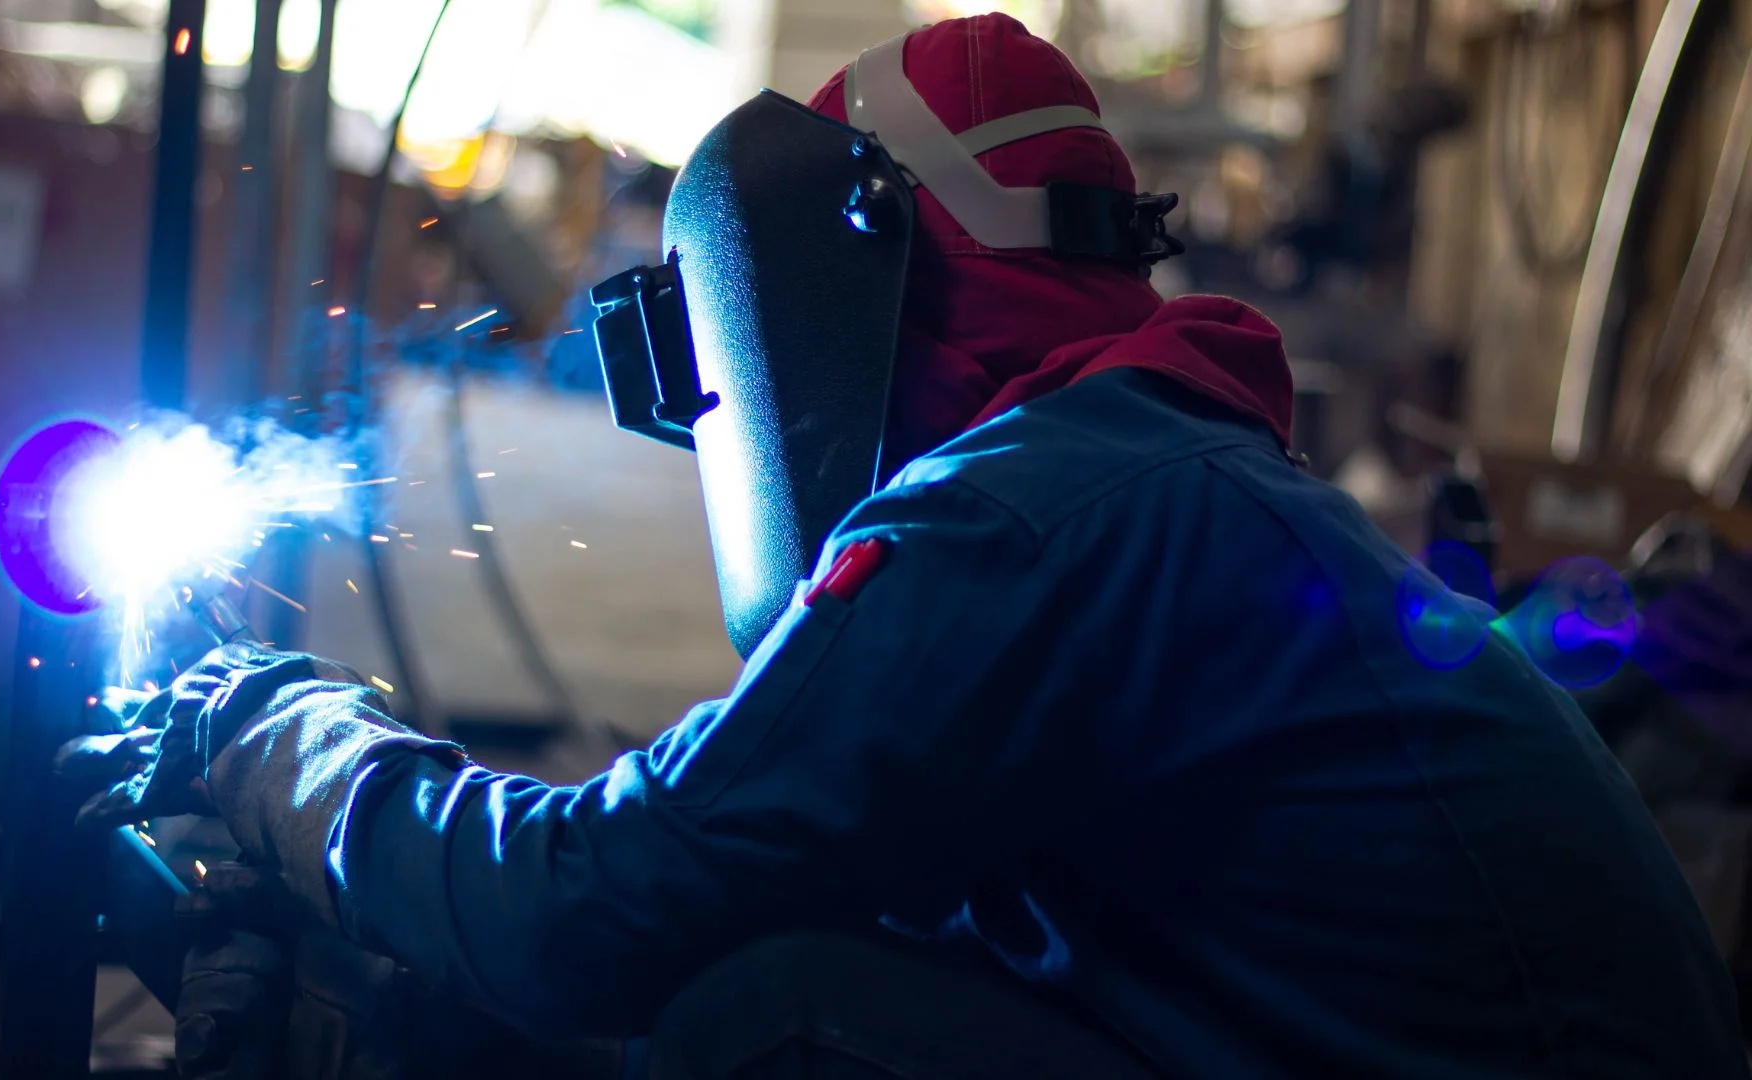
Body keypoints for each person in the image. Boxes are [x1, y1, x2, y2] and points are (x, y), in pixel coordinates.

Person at [86, 14, 1749, 1077]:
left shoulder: (1033, 511)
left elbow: (586, 908)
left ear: (833, 270)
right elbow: (733, 846)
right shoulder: (1171, 481)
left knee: (781, 1011)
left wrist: (281, 736)